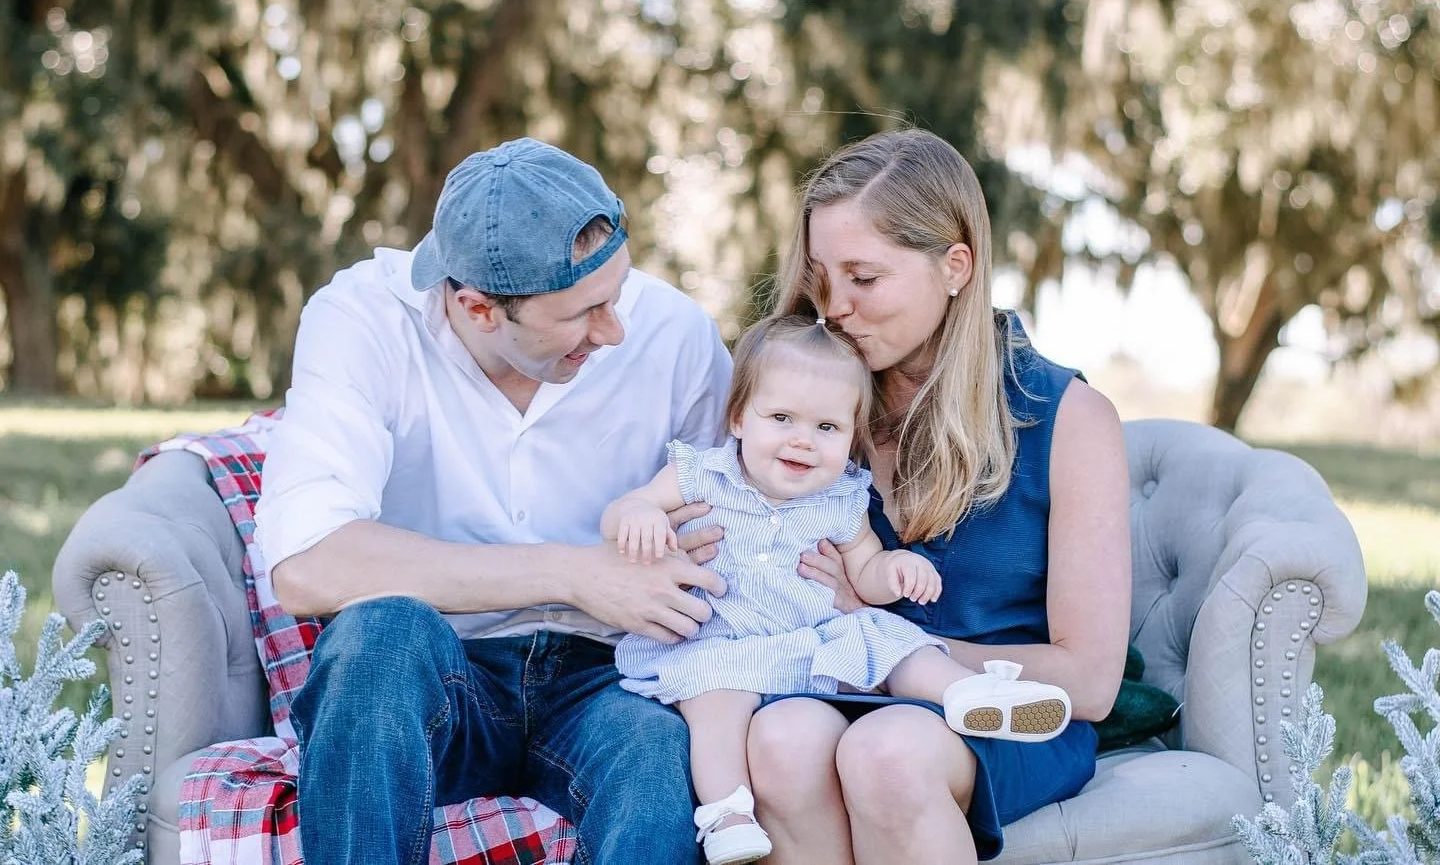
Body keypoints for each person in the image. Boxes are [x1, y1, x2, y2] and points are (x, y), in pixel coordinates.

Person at [252, 137, 735, 865]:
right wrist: (573, 572)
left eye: (617, 293)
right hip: (441, 665)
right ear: (476, 307)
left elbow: (727, 512)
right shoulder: (363, 319)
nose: (616, 330)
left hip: (610, 673)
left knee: (657, 752)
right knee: (375, 640)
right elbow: (308, 562)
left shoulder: (676, 336)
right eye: (583, 313)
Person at [744, 128, 1132, 864]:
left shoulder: (1068, 418)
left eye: (863, 278)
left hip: (1006, 714)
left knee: (889, 750)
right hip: (833, 690)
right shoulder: (807, 403)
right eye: (821, 276)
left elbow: (1089, 680)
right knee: (781, 739)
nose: (833, 308)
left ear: (956, 265)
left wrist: (884, 634)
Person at [606, 312, 1075, 865]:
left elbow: (865, 570)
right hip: (722, 642)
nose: (803, 441)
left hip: (814, 639)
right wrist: (640, 518)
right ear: (737, 418)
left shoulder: (838, 498)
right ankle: (726, 813)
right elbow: (624, 511)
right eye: (782, 418)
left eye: (827, 428)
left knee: (892, 638)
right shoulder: (701, 474)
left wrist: (896, 568)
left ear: (851, 436)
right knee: (712, 700)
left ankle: (966, 694)